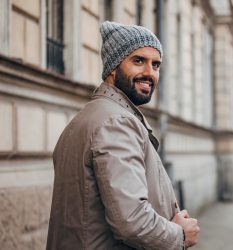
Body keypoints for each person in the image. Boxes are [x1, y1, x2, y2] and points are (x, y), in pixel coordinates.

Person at [46, 21, 199, 250]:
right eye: (138, 61)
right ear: (112, 67)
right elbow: (132, 221)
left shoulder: (88, 118)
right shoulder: (116, 123)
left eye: (156, 65)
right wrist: (180, 235)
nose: (150, 73)